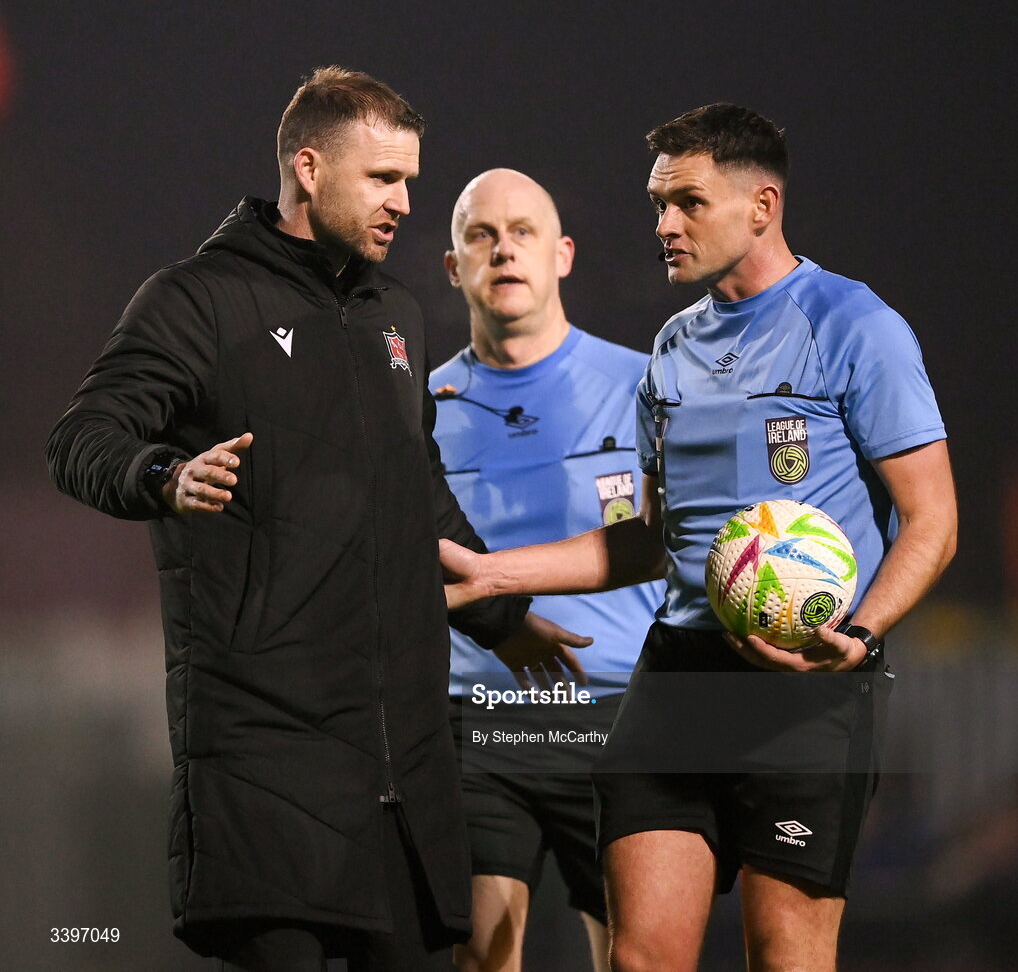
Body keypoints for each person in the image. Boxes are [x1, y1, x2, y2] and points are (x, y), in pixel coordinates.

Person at [44, 67, 585, 972]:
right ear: (308, 167)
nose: (406, 203)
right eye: (383, 179)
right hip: (266, 758)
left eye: (410, 180)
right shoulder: (197, 300)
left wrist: (502, 611)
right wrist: (164, 474)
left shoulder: (398, 315)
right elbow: (81, 438)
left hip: (400, 772)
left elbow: (423, 497)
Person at [440, 103, 958, 972]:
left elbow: (932, 519)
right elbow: (648, 542)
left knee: (784, 951)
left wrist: (859, 635)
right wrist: (496, 575)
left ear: (762, 205)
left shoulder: (853, 324)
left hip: (806, 684)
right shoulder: (673, 348)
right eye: (657, 204)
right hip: (679, 673)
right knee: (640, 958)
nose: (664, 225)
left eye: (687, 202)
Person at [431, 169, 663, 971]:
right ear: (453, 266)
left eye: (523, 231)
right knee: (484, 956)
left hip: (619, 717)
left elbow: (685, 540)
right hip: (480, 718)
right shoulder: (417, 409)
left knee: (634, 957)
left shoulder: (646, 385)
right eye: (481, 234)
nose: (504, 249)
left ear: (562, 254)